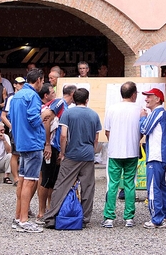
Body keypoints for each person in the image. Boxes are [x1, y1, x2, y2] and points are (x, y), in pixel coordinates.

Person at [44, 88, 101, 229]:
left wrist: (63, 153)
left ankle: (51, 217)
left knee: (61, 185)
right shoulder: (94, 115)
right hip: (87, 154)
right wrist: (92, 152)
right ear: (87, 100)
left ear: (74, 99)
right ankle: (85, 218)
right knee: (87, 187)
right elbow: (96, 138)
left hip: (72, 153)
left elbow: (63, 135)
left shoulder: (68, 113)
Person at [10, 68, 45, 233]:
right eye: (43, 81)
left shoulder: (16, 96)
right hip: (33, 142)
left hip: (21, 142)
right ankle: (24, 220)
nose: (42, 85)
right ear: (38, 80)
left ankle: (18, 217)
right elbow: (33, 119)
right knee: (30, 181)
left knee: (23, 180)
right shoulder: (32, 96)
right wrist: (45, 115)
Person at [101, 81, 141, 228]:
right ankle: (129, 217)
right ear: (134, 94)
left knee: (113, 184)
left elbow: (107, 131)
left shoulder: (112, 109)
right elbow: (141, 131)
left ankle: (109, 217)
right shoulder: (139, 110)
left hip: (115, 151)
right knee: (130, 183)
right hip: (132, 151)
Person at [36, 84, 76, 224]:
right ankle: (41, 212)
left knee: (52, 179)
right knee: (46, 179)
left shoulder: (66, 106)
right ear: (73, 94)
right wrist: (47, 143)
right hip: (50, 146)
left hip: (56, 146)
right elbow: (46, 118)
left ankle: (50, 208)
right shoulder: (60, 102)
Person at [139, 88, 166, 229]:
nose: (146, 99)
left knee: (153, 188)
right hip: (163, 155)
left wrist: (142, 117)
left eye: (149, 96)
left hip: (156, 155)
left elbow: (144, 129)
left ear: (157, 99)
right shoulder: (165, 114)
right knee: (162, 187)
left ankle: (157, 219)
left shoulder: (158, 112)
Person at [0, 77, 26, 186]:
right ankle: (16, 178)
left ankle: (23, 177)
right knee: (15, 154)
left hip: (24, 129)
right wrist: (12, 127)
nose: (21, 85)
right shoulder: (11, 98)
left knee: (24, 154)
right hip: (15, 130)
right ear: (14, 85)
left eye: (23, 84)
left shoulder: (26, 96)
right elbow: (3, 116)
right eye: (19, 84)